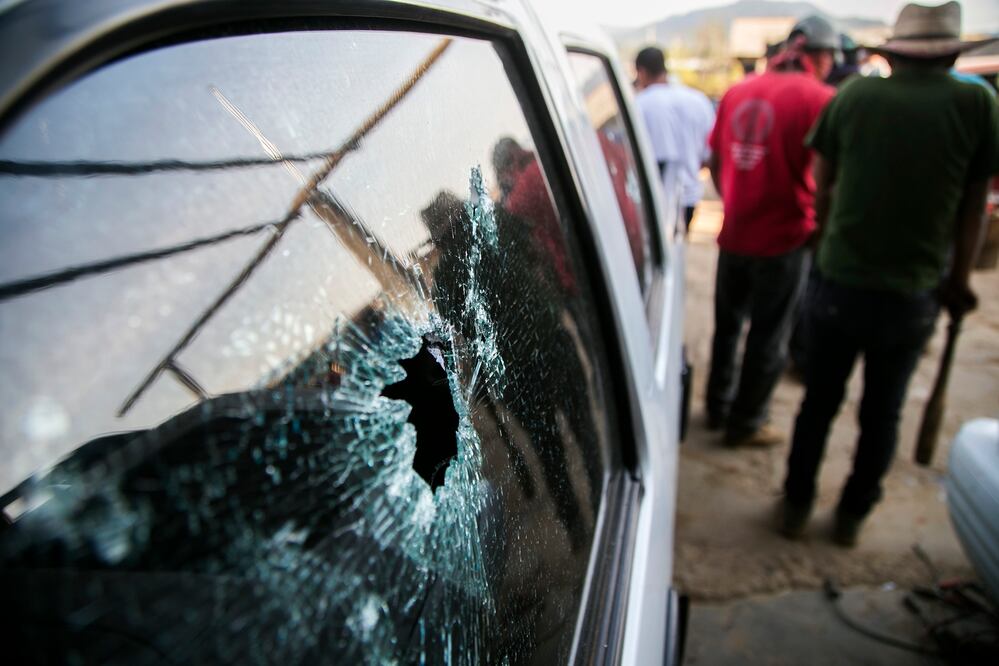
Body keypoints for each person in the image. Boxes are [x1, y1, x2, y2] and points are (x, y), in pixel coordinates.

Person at [780, 1, 999, 546]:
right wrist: (959, 279)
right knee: (883, 413)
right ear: (950, 52)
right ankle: (853, 516)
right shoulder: (976, 102)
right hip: (914, 292)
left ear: (895, 53)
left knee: (818, 403)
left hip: (839, 283)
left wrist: (831, 242)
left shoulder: (856, 96)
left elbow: (823, 182)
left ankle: (796, 503)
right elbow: (974, 206)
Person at [704, 16, 837, 447]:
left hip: (735, 233)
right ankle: (745, 421)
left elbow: (718, 161)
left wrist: (735, 202)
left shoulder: (738, 91)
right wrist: (818, 226)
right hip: (783, 239)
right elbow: (829, 176)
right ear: (817, 56)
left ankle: (716, 407)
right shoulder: (820, 97)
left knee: (728, 327)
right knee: (767, 336)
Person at [634, 46, 715, 230]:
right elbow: (709, 155)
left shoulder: (640, 104)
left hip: (652, 202)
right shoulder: (698, 101)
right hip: (688, 197)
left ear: (641, 72)